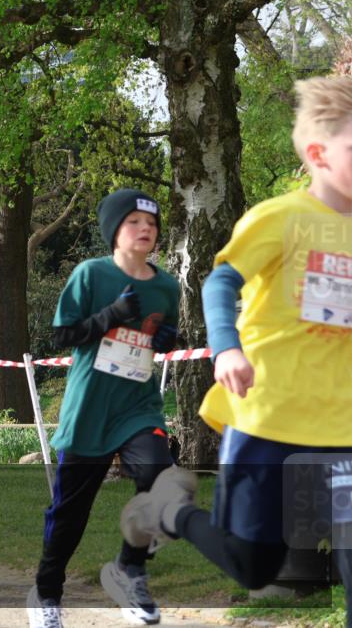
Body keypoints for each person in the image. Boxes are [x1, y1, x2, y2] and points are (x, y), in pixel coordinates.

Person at [121, 76, 352, 626]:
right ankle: (171, 511)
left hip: (344, 427)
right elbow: (221, 284)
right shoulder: (283, 218)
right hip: (269, 418)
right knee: (254, 564)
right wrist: (226, 349)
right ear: (318, 154)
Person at [27, 189, 181, 628]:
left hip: (138, 406)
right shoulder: (90, 274)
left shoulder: (167, 285)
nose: (145, 230)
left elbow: (162, 330)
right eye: (134, 222)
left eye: (151, 224)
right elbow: (61, 336)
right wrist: (111, 314)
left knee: (158, 476)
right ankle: (46, 593)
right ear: (114, 230)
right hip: (90, 408)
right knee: (70, 515)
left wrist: (167, 338)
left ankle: (129, 569)